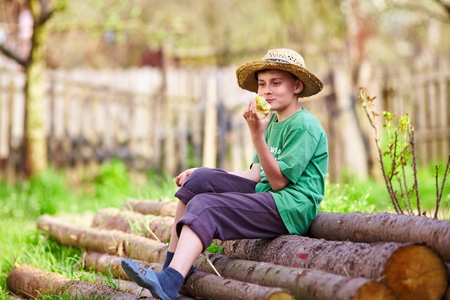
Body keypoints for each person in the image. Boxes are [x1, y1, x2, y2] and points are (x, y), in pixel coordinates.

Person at [121, 48, 329, 300]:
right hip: (271, 196)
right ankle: (172, 270)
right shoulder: (273, 122)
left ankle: (170, 280)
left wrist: (256, 135)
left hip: (291, 207)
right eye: (262, 84)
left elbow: (277, 182)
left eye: (276, 83)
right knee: (198, 182)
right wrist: (205, 172)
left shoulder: (304, 125)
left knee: (205, 206)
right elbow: (255, 174)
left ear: (297, 86)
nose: (267, 90)